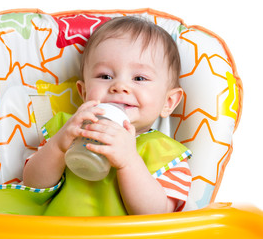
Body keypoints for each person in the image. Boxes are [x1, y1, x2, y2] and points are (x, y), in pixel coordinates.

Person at [22, 16, 192, 216]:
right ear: (84, 93)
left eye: (139, 78)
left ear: (168, 102)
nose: (119, 86)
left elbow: (157, 215)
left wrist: (129, 161)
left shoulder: (167, 155)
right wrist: (59, 145)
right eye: (105, 76)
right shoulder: (67, 129)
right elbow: (32, 185)